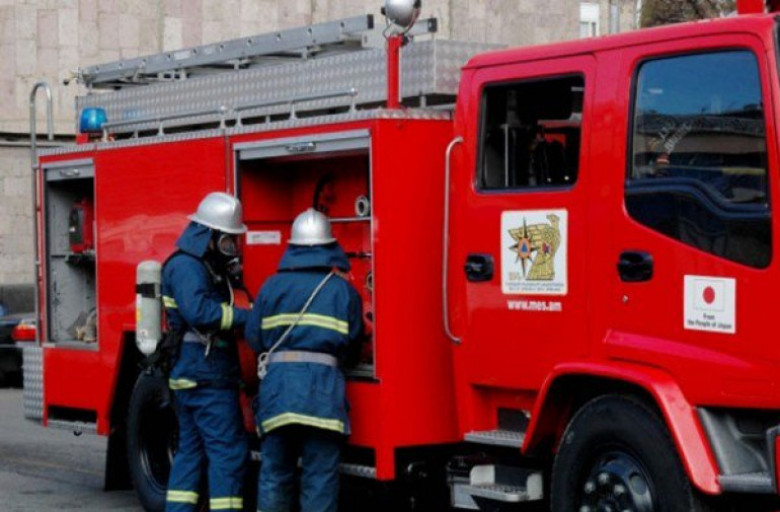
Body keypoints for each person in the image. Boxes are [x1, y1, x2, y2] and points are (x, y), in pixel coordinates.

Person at [245, 208, 363, 512]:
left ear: (293, 248)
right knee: (319, 479)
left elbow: (254, 338)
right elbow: (354, 345)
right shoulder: (343, 291)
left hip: (278, 394)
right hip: (323, 397)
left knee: (275, 475)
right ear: (330, 247)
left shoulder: (270, 287)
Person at [161, 191, 250, 512]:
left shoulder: (197, 264)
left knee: (191, 453)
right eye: (227, 239)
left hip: (193, 376)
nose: (232, 246)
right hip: (206, 378)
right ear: (209, 235)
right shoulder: (187, 266)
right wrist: (246, 317)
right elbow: (199, 312)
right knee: (227, 454)